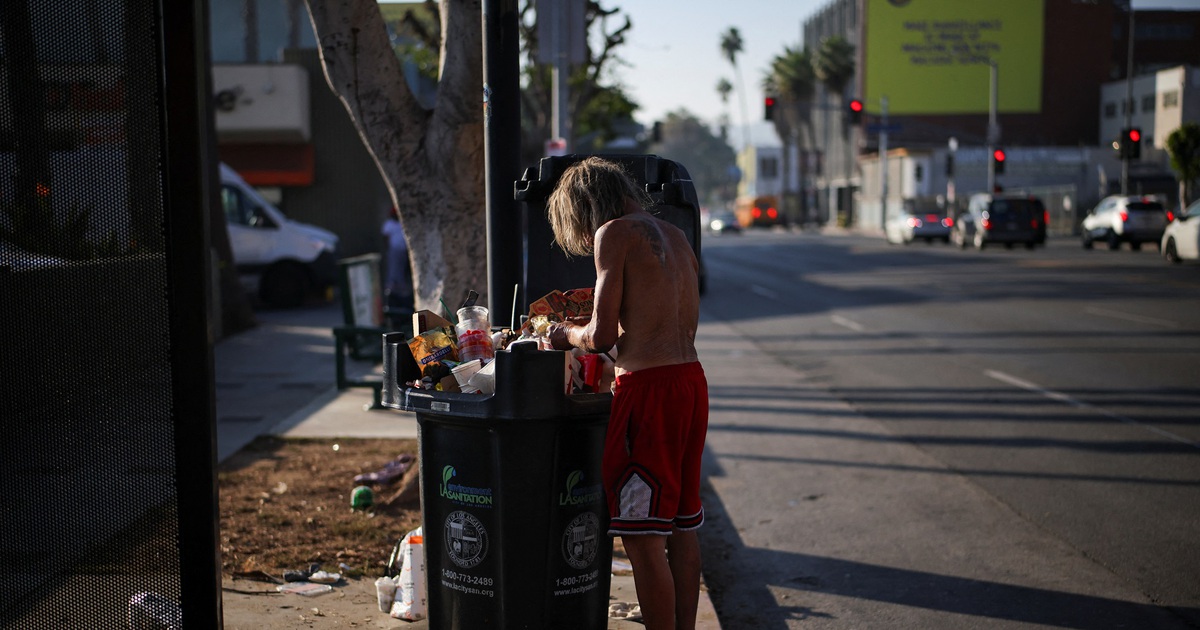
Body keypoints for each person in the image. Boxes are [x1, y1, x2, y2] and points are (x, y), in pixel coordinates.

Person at [546, 157, 708, 630]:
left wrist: (561, 334)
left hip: (649, 393)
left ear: (587, 205)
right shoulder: (675, 236)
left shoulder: (613, 234)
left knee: (641, 540)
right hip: (690, 383)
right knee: (681, 526)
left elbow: (598, 337)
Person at [381, 206, 414, 321]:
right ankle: (392, 289)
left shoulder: (402, 223)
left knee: (404, 272)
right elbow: (385, 237)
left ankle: (402, 289)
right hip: (394, 251)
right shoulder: (389, 224)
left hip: (405, 251)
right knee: (394, 271)